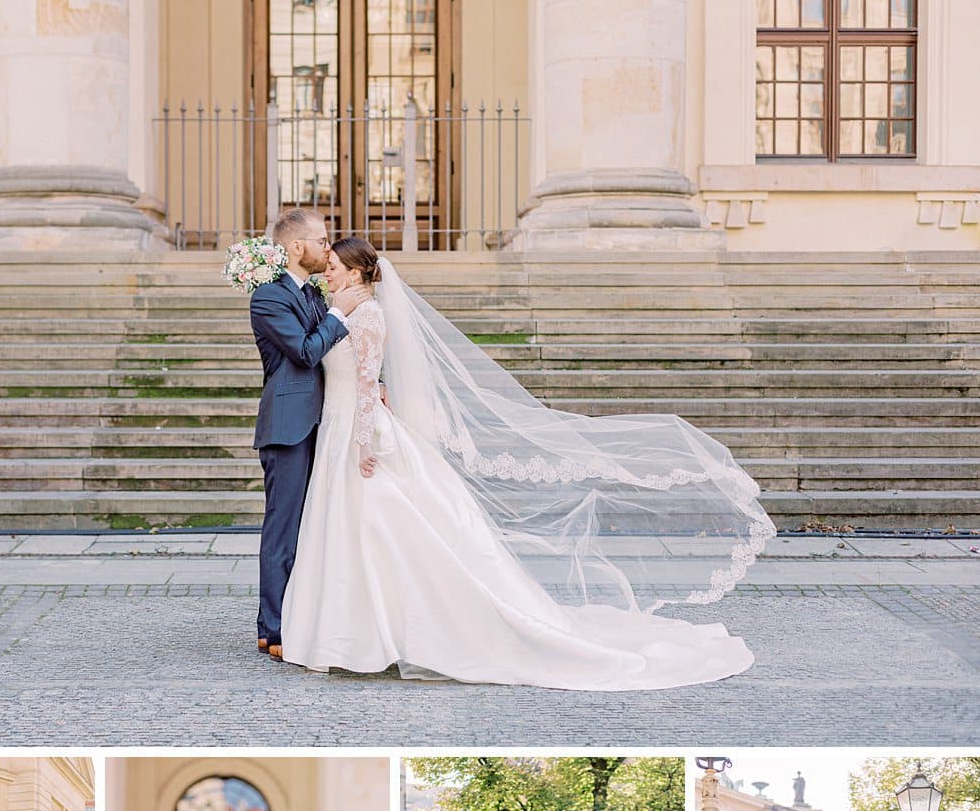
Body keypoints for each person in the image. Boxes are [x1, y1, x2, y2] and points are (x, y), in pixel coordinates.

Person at [276, 237, 775, 690]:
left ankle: (382, 634)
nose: (329, 272)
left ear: (361, 272)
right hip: (339, 426)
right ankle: (351, 631)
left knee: (378, 528)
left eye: (336, 266)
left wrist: (366, 442)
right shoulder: (339, 306)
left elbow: (367, 382)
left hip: (357, 431)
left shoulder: (366, 315)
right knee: (355, 530)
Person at [248, 208, 370, 661]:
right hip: (289, 426)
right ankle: (273, 628)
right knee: (284, 527)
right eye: (321, 240)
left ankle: (306, 616)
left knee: (315, 526)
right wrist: (338, 313)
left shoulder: (314, 293)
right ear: (296, 247)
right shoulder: (268, 298)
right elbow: (303, 352)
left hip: (326, 421)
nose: (327, 247)